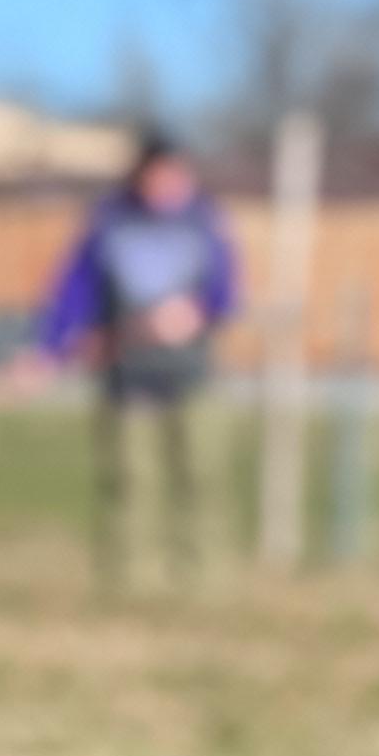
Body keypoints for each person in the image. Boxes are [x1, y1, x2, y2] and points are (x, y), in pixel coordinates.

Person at [40, 130, 240, 587]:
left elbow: (226, 291)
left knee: (201, 475)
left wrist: (198, 311)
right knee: (129, 478)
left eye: (174, 176)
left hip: (190, 372)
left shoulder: (205, 223)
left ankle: (204, 572)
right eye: (156, 177)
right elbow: (76, 290)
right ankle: (128, 574)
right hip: (127, 372)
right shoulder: (110, 222)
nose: (165, 186)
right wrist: (56, 345)